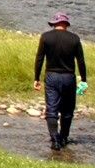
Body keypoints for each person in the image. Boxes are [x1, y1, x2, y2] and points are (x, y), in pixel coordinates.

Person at [32, 12, 87, 150]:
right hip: (69, 77)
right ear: (66, 24)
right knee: (67, 110)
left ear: (54, 24)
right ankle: (63, 137)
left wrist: (37, 78)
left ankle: (54, 139)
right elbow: (80, 61)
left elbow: (39, 59)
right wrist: (84, 80)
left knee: (52, 109)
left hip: (51, 76)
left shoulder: (46, 37)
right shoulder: (74, 39)